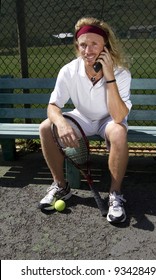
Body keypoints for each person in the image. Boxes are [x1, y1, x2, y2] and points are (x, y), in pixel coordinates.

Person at [38, 16, 132, 224]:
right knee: (46, 127)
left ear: (105, 46)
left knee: (119, 131)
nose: (88, 50)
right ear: (77, 46)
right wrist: (61, 123)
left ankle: (115, 195)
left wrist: (109, 75)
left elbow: (118, 116)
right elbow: (53, 106)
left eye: (94, 44)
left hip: (108, 119)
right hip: (82, 117)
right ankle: (61, 186)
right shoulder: (68, 71)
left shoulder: (121, 73)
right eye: (83, 45)